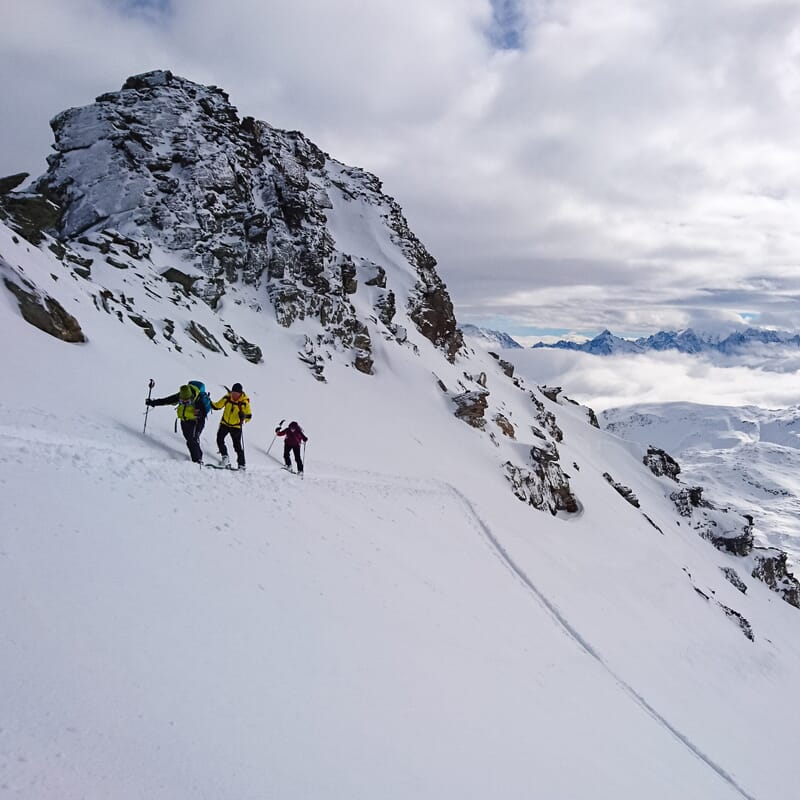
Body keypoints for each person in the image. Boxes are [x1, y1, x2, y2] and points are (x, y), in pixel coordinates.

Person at [146, 382, 209, 463]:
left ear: (191, 396)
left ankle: (197, 460)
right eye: (183, 401)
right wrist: (153, 402)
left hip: (196, 422)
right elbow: (166, 400)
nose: (185, 402)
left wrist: (200, 414)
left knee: (192, 440)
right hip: (184, 421)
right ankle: (198, 457)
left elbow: (204, 412)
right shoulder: (179, 395)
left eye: (187, 401)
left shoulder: (198, 399)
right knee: (189, 439)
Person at [212, 382, 252, 470]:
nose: (234, 395)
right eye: (233, 392)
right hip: (224, 423)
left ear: (240, 393)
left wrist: (243, 417)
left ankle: (241, 464)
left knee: (237, 446)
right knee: (219, 439)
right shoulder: (227, 398)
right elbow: (217, 406)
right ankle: (225, 457)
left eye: (236, 393)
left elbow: (249, 416)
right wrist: (209, 402)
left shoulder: (244, 402)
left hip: (236, 427)